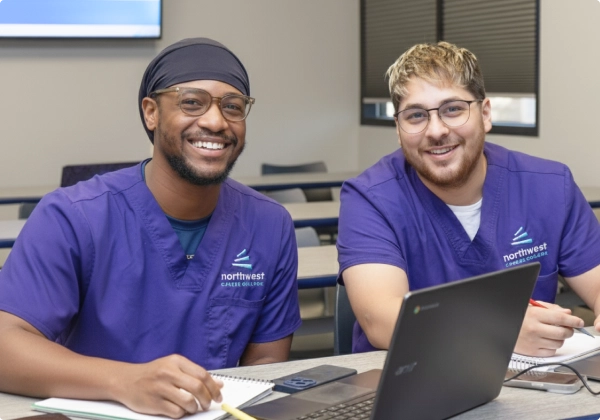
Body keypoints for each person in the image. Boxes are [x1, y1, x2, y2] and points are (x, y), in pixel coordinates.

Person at [0, 38, 301, 418]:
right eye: (192, 102)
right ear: (151, 113)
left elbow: (268, 368)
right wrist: (124, 382)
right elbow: (5, 346)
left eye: (233, 107)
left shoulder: (269, 225)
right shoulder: (73, 216)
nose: (215, 121)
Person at [337, 41, 600, 357]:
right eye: (416, 115)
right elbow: (380, 320)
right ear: (398, 127)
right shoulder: (370, 199)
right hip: (408, 385)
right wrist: (498, 330)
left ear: (485, 113)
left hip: (536, 387)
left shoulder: (550, 187)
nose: (436, 130)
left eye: (453, 109)